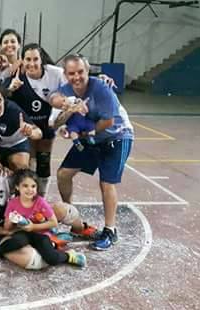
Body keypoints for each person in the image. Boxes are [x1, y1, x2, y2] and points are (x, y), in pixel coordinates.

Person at [54, 54, 134, 251]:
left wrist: (82, 132)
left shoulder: (101, 89)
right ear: (66, 75)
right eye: (71, 73)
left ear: (87, 71)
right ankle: (71, 217)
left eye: (80, 72)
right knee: (63, 174)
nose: (77, 77)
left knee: (106, 183)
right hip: (91, 138)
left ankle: (110, 230)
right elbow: (55, 109)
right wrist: (67, 111)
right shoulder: (66, 91)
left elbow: (108, 122)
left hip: (117, 136)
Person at [0, 145, 84, 270]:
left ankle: (80, 229)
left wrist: (37, 219)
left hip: (26, 222)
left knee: (67, 210)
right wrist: (6, 231)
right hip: (0, 234)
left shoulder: (6, 177)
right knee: (35, 261)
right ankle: (51, 242)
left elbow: (28, 185)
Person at [5, 43, 66, 196]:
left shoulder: (56, 73)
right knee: (30, 163)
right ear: (22, 60)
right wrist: (10, 89)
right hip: (28, 127)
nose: (32, 63)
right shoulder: (16, 76)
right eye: (28, 59)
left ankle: (42, 197)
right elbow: (1, 95)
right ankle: (27, 196)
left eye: (35, 59)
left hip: (47, 125)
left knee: (44, 162)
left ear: (41, 59)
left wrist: (102, 78)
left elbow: (77, 76)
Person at [3, 169, 87, 267]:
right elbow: (7, 227)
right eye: (25, 186)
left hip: (41, 234)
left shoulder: (40, 202)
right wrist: (11, 220)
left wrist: (33, 227)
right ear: (17, 187)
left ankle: (68, 256)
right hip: (23, 234)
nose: (30, 190)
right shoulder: (12, 203)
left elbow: (53, 222)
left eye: (33, 186)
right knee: (14, 242)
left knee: (51, 259)